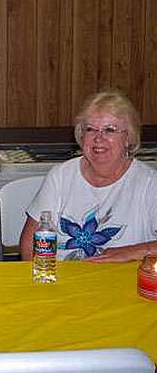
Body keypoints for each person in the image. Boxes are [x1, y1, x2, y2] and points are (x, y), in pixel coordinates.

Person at [20, 90, 157, 262]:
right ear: (81, 136)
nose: (99, 138)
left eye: (110, 130)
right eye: (91, 129)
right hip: (61, 281)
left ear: (128, 138)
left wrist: (131, 252)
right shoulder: (61, 176)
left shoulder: (150, 184)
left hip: (125, 284)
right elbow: (29, 245)